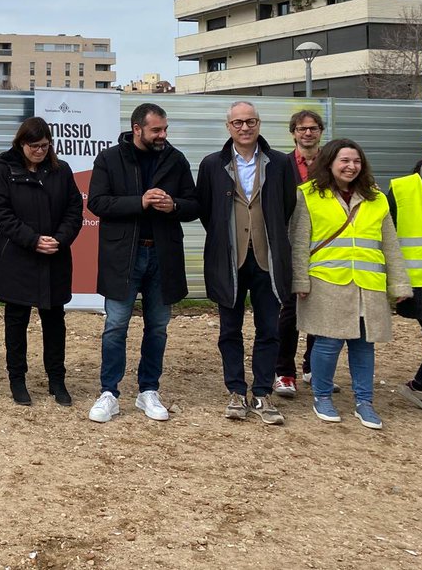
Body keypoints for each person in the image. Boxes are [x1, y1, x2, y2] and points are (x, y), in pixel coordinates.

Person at [87, 103, 199, 424]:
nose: (163, 135)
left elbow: (194, 205)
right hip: (123, 256)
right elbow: (97, 203)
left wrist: (174, 205)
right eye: (156, 130)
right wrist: (141, 202)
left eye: (165, 129)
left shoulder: (175, 159)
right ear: (137, 129)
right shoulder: (109, 158)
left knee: (158, 327)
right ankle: (109, 393)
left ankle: (148, 390)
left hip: (163, 256)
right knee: (115, 326)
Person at [290, 139, 412, 429]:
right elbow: (299, 241)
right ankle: (322, 396)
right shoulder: (308, 195)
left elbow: (390, 244)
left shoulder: (376, 198)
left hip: (368, 284)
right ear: (330, 162)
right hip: (326, 283)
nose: (351, 166)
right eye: (344, 160)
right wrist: (300, 280)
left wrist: (399, 285)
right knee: (328, 342)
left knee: (364, 345)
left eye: (356, 161)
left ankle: (364, 402)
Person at [196, 101, 294, 425]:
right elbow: (207, 210)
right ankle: (236, 390)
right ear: (229, 127)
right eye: (238, 122)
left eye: (250, 121)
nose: (244, 127)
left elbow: (287, 206)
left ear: (259, 124)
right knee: (230, 329)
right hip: (230, 259)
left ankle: (263, 392)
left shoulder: (280, 163)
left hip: (267, 259)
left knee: (269, 329)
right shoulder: (212, 164)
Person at [0, 117, 83, 406]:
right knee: (16, 321)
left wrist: (60, 239)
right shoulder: (5, 170)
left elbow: (74, 210)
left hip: (54, 258)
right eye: (34, 146)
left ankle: (57, 379)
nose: (40, 151)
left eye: (44, 145)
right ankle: (17, 379)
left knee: (54, 321)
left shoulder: (61, 170)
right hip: (17, 258)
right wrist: (32, 240)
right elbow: (1, 212)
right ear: (21, 144)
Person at [274, 108, 325, 397]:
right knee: (290, 311)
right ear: (293, 132)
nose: (308, 133)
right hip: (290, 245)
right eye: (302, 128)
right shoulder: (280, 164)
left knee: (320, 309)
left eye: (313, 128)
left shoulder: (332, 163)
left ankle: (313, 367)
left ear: (320, 131)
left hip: (324, 246)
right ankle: (284, 372)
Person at [385, 142, 422, 415]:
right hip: (418, 281)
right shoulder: (402, 188)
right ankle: (417, 386)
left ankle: (419, 385)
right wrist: (393, 281)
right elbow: (386, 236)